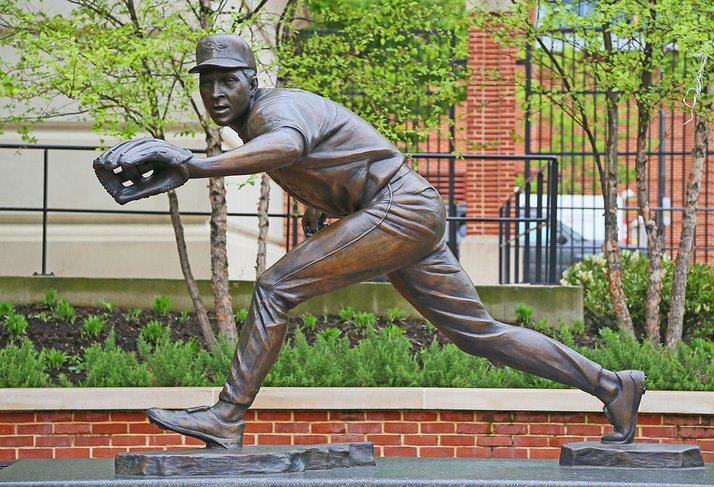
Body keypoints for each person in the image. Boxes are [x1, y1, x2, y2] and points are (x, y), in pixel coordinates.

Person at [93, 34, 645, 449]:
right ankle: (612, 386)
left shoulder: (271, 111)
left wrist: (193, 164)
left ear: (251, 81)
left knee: (274, 288)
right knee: (479, 335)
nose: (215, 93)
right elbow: (327, 158)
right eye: (206, 82)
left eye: (227, 80)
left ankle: (227, 415)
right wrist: (318, 206)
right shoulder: (257, 118)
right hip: (407, 210)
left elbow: (287, 146)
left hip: (398, 210)